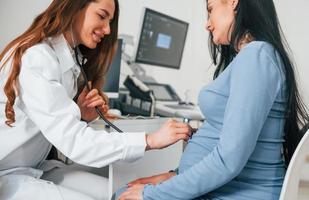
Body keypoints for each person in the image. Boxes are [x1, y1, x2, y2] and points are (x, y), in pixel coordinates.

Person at [116, 0, 309, 199]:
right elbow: (228, 142)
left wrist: (152, 195)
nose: (207, 24)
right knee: (126, 191)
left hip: (238, 193)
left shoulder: (256, 56)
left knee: (123, 194)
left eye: (210, 10)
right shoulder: (253, 58)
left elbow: (229, 160)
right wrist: (175, 175)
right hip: (226, 187)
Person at [0, 0, 192, 199]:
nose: (108, 30)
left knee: (118, 193)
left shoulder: (69, 61)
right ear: (74, 7)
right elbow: (73, 140)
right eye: (101, 16)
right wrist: (149, 140)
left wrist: (81, 115)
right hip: (7, 174)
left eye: (110, 21)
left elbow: (52, 122)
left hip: (36, 167)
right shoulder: (37, 59)